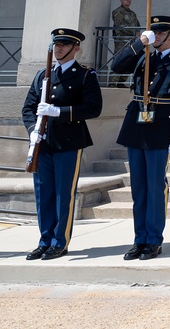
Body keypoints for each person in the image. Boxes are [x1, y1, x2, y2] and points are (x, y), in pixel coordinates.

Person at [111, 15, 170, 261]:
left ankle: (153, 240)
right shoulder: (141, 56)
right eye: (153, 33)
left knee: (155, 186)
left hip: (161, 127)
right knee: (139, 188)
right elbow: (116, 67)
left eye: (160, 33)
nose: (156, 37)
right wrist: (139, 44)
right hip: (136, 125)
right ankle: (139, 239)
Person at [21, 28, 103, 260]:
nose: (59, 48)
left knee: (62, 195)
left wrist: (59, 111)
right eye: (57, 44)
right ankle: (44, 240)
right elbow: (28, 108)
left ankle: (60, 241)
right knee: (43, 194)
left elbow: (93, 108)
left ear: (76, 48)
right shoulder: (42, 75)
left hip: (68, 142)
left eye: (65, 45)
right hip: (43, 144)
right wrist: (32, 131)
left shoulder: (85, 76)